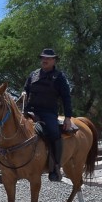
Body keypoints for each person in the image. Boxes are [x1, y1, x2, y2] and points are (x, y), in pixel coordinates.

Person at [23, 48, 73, 182]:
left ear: (54, 60)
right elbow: (26, 90)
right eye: (43, 58)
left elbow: (66, 98)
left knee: (54, 132)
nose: (44, 60)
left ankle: (55, 167)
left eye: (48, 58)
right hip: (30, 111)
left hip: (48, 113)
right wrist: (23, 94)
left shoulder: (59, 77)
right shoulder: (33, 74)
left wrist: (68, 117)